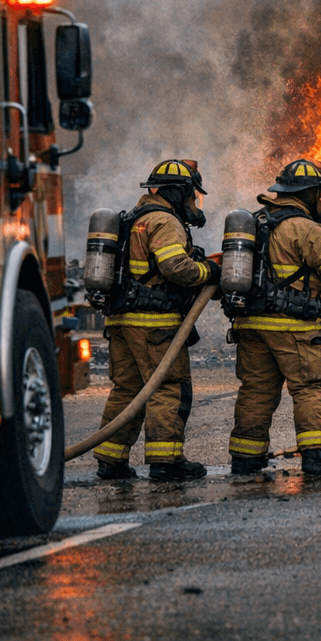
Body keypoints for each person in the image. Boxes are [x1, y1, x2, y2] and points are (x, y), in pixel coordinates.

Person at [227, 159, 321, 476]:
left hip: (250, 324)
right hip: (293, 326)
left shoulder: (259, 221)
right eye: (320, 195)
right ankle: (317, 455)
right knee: (312, 387)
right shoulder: (304, 229)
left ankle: (246, 458)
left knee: (256, 392)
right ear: (311, 193)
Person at [94, 159, 219, 482]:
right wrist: (209, 271)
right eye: (192, 195)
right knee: (167, 388)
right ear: (177, 193)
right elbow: (175, 267)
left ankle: (111, 460)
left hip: (122, 321)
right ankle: (167, 461)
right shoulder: (165, 222)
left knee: (127, 390)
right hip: (155, 324)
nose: (194, 203)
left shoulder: (132, 219)